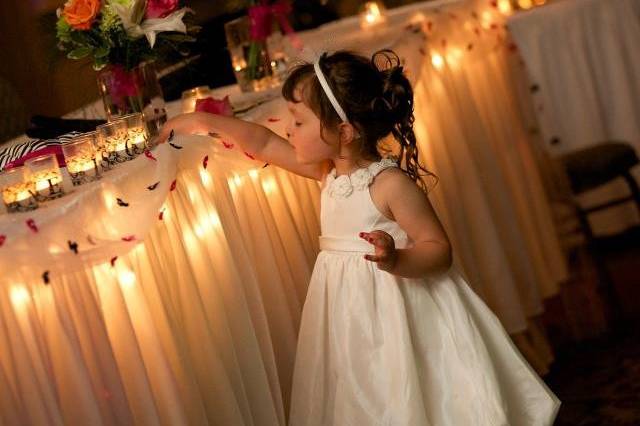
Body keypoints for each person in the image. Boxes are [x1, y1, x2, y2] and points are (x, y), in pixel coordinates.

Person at [158, 49, 560, 426]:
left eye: (298, 122)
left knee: (407, 397)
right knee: (357, 396)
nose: (288, 130)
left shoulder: (388, 184)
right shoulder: (328, 173)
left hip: (399, 314)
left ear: (345, 131)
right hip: (347, 314)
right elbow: (262, 142)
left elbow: (439, 250)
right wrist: (200, 122)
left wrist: (396, 258)